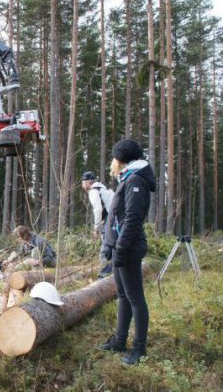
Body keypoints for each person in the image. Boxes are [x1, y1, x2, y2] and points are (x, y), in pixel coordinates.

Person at [98, 138, 156, 365]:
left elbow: (132, 219)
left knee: (135, 298)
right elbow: (116, 217)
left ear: (121, 160)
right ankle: (120, 341)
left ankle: (139, 349)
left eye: (115, 158)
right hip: (119, 246)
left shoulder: (136, 181)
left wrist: (120, 248)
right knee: (123, 295)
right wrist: (109, 245)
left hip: (129, 248)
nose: (113, 162)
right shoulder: (128, 178)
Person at [81, 171, 115, 277]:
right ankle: (114, 273)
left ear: (88, 182)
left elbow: (98, 209)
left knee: (104, 252)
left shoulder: (93, 191)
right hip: (116, 220)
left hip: (112, 220)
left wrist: (96, 228)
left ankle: (105, 276)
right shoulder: (103, 189)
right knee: (113, 249)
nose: (82, 185)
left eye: (83, 183)